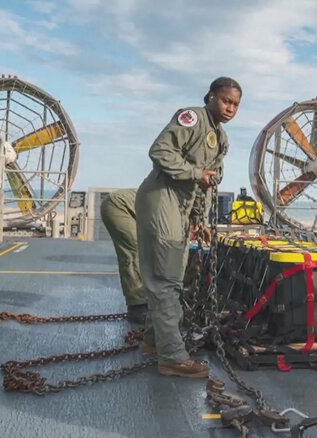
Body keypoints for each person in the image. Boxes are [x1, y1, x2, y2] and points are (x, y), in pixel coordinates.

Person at [136, 77, 241, 378]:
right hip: (162, 198)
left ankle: (154, 341)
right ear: (211, 97)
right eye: (226, 101)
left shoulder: (221, 138)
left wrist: (200, 220)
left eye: (235, 105)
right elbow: (160, 151)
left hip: (181, 207)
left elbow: (205, 185)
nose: (230, 108)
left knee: (172, 276)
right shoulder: (192, 118)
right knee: (166, 280)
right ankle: (171, 357)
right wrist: (195, 173)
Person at [100, 188, 147, 325]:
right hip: (117, 206)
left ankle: (145, 300)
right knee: (134, 252)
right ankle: (137, 306)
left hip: (128, 208)